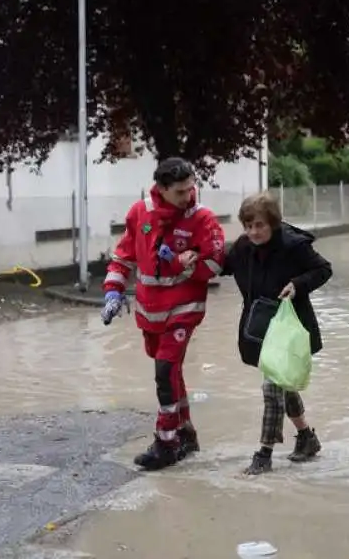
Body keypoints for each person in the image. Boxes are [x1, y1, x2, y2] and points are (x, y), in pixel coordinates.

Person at [101, 157, 225, 471]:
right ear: (162, 189)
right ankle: (186, 434)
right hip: (150, 309)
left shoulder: (203, 219)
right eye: (181, 192)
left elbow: (214, 266)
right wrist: (113, 292)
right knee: (171, 372)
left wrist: (190, 262)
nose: (189, 196)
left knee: (164, 371)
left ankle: (166, 442)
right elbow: (124, 257)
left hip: (184, 307)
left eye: (191, 188)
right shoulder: (139, 213)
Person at [222, 192, 332, 475]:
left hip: (290, 329)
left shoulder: (293, 246)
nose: (253, 232)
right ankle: (307, 438)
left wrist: (297, 284)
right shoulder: (244, 247)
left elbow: (323, 269)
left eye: (259, 225)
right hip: (260, 329)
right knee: (285, 384)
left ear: (273, 223)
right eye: (248, 225)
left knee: (272, 390)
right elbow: (222, 264)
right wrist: (193, 259)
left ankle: (264, 454)